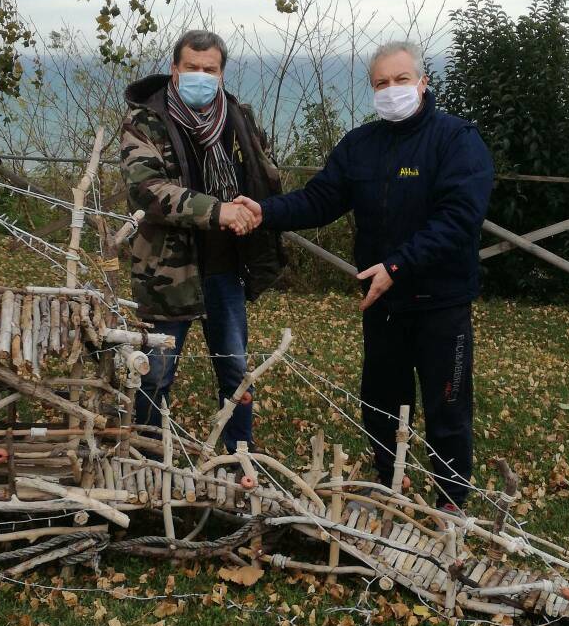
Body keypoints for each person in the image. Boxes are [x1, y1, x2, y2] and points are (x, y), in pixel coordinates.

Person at [233, 41, 494, 512]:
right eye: (380, 83)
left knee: (447, 406)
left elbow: (459, 218)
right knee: (379, 401)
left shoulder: (457, 140)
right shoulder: (360, 145)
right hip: (383, 305)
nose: (391, 90)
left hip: (441, 301)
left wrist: (398, 266)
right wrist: (265, 211)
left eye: (400, 80)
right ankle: (389, 484)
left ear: (423, 82)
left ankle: (451, 503)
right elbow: (319, 200)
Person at [119, 29, 285, 452]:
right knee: (156, 371)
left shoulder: (238, 118)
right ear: (174, 69)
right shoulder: (145, 121)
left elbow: (263, 177)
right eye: (191, 67)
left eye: (209, 69)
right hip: (167, 270)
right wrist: (218, 210)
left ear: (222, 73)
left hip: (227, 268)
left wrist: (258, 214)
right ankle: (149, 457)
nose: (200, 75)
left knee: (235, 369)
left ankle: (238, 456)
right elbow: (146, 190)